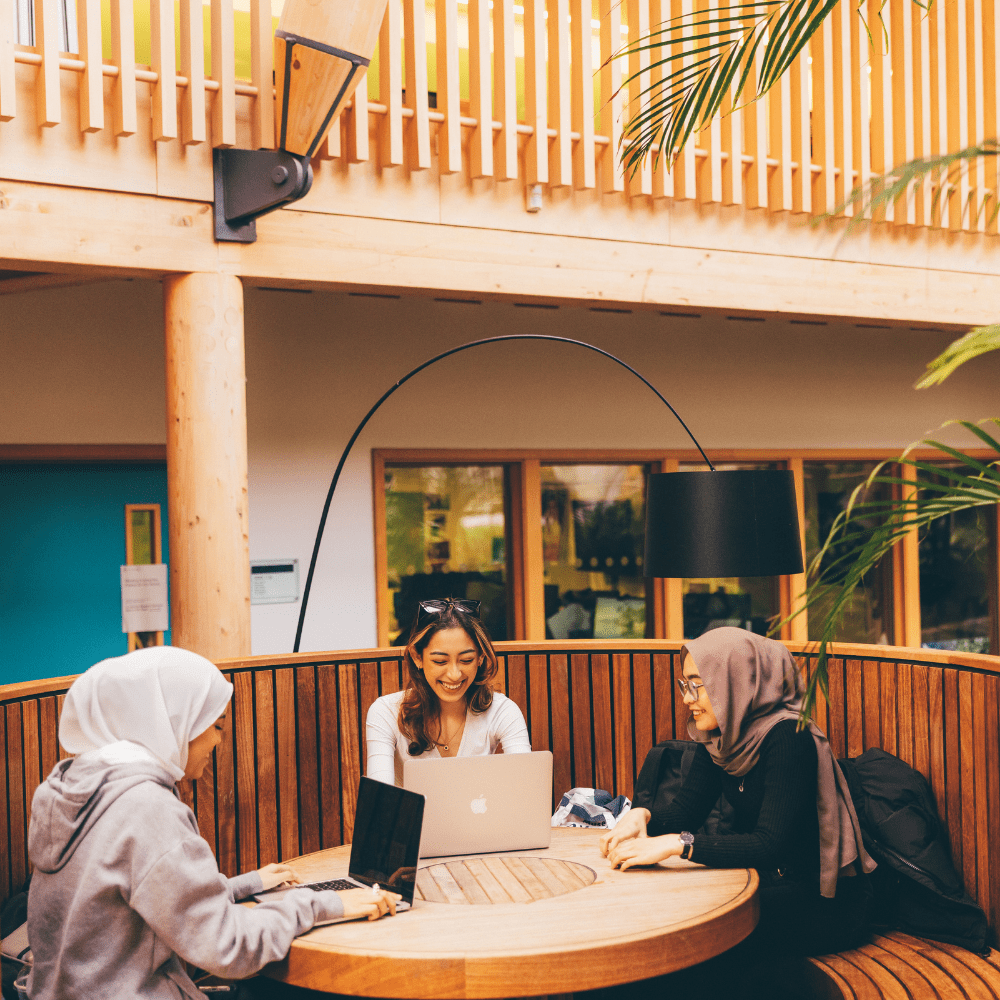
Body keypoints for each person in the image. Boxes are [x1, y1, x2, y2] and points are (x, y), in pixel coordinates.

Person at [25, 646, 399, 1000]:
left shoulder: (69, 789)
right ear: (173, 723)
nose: (218, 741)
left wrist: (247, 884)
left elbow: (138, 892)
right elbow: (228, 947)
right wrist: (325, 904)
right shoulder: (147, 808)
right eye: (217, 726)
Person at [600, 627, 875, 995]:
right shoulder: (720, 737)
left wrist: (677, 845)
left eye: (699, 685)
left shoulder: (788, 737)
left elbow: (769, 844)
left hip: (819, 901)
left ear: (733, 682)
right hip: (764, 883)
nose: (688, 699)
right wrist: (643, 816)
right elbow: (684, 811)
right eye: (686, 685)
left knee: (693, 941)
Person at [366, 598, 530, 785]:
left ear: (481, 657)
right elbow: (380, 795)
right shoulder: (385, 712)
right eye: (440, 661)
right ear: (417, 657)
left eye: (466, 660)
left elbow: (523, 785)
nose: (454, 674)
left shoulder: (502, 711)